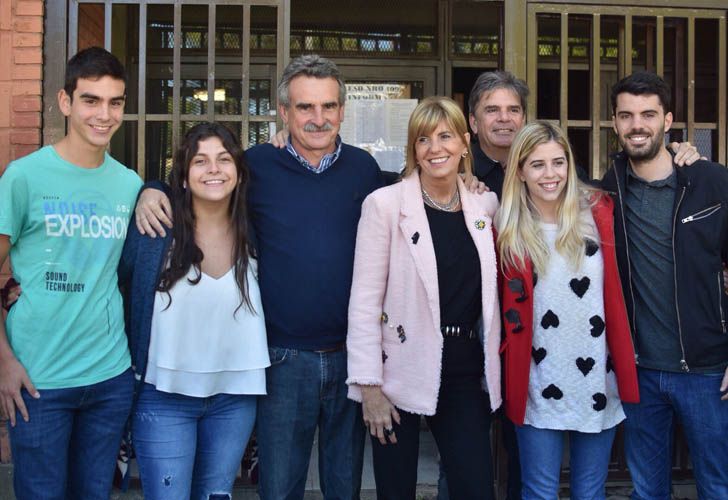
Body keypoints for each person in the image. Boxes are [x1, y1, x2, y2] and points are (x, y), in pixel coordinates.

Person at [134, 54, 383, 500]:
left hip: (351, 357)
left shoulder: (363, 170)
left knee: (345, 486)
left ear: (342, 110)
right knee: (280, 487)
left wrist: (470, 182)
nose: (318, 118)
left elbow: (416, 193)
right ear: (284, 111)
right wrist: (150, 188)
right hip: (283, 359)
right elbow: (202, 182)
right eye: (305, 107)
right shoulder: (254, 167)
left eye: (328, 106)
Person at [0, 47, 142, 499]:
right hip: (38, 381)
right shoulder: (23, 177)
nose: (104, 114)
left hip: (109, 377)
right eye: (91, 100)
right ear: (66, 102)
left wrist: (154, 192)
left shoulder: (130, 184)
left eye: (115, 102)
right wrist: (4, 362)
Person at [346, 96, 501, 500]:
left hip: (465, 368)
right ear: (413, 149)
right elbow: (364, 302)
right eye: (424, 140)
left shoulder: (485, 204)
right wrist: (370, 387)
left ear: (465, 143)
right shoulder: (384, 204)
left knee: (475, 486)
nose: (436, 149)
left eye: (446, 137)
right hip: (397, 369)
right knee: (395, 490)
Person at [119, 122, 269, 500]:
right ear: (183, 177)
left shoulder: (259, 230)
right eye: (200, 161)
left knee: (216, 495)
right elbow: (116, 284)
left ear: (238, 171)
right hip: (163, 393)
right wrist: (149, 190)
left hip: (235, 396)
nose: (214, 169)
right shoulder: (156, 229)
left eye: (223, 159)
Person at [601, 71, 728, 499]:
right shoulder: (607, 191)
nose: (638, 124)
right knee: (648, 490)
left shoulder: (712, 182)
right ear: (615, 124)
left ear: (668, 120)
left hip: (708, 370)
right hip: (639, 371)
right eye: (626, 115)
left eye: (648, 114)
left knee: (718, 485)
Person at [497, 120, 640, 499]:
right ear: (521, 171)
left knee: (589, 492)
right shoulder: (506, 226)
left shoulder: (600, 211)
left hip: (596, 377)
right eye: (538, 164)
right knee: (540, 491)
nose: (551, 174)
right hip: (536, 379)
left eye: (558, 162)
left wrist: (683, 154)